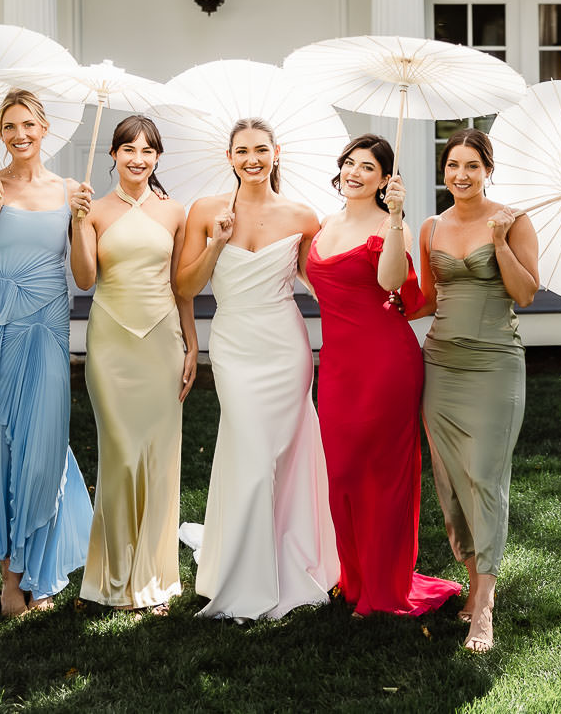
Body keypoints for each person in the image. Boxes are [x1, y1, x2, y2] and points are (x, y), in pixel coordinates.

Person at [175, 117, 338, 620]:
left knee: (284, 455)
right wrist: (216, 243)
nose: (252, 159)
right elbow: (185, 286)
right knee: (249, 453)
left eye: (261, 150)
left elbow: (320, 285)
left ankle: (287, 557)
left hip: (285, 347)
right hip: (234, 345)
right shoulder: (206, 211)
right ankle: (243, 574)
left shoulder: (302, 216)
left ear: (276, 152)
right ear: (229, 157)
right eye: (242, 151)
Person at [304, 133, 462, 616]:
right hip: (337, 365)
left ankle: (384, 588)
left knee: (382, 476)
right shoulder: (325, 224)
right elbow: (319, 283)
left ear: (384, 180)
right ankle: (354, 580)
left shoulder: (392, 226)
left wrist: (394, 218)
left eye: (367, 167)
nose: (354, 172)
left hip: (385, 364)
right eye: (350, 163)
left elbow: (391, 282)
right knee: (343, 473)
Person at [0, 89, 94, 618]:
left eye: (28, 124)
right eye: (9, 126)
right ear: (0, 133)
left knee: (43, 448)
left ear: (44, 128)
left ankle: (39, 568)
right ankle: (12, 576)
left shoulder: (71, 190)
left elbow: (85, 277)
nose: (19, 135)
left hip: (45, 329)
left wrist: (80, 222)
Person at [412, 127, 538, 652]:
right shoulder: (430, 227)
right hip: (440, 364)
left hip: (494, 364)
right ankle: (473, 578)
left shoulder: (514, 221)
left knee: (484, 475)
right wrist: (379, 305)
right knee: (450, 481)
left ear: (488, 170)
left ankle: (484, 605)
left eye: (471, 165)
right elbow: (425, 297)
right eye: (452, 165)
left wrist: (499, 243)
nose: (460, 175)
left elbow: (525, 293)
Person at [70, 115, 198, 613]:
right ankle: (112, 576)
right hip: (111, 344)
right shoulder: (93, 209)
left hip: (163, 342)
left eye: (147, 151)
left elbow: (182, 287)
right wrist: (78, 223)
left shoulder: (175, 212)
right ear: (113, 155)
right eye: (129, 149)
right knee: (121, 456)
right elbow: (85, 279)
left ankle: (154, 578)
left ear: (157, 157)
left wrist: (192, 345)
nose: (138, 159)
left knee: (160, 459)